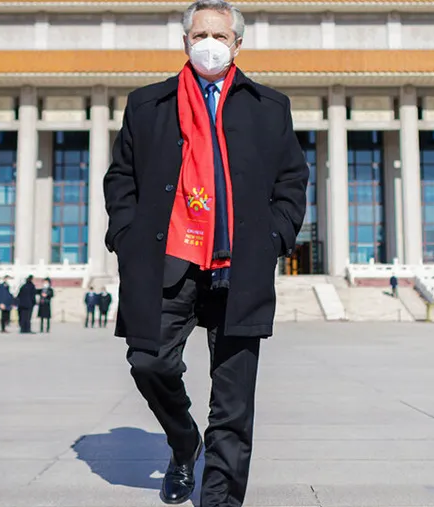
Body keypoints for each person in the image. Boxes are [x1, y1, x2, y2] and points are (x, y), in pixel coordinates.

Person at [103, 1, 308, 504]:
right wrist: (126, 239)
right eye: (199, 35)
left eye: (219, 35)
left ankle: (219, 498)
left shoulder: (268, 106)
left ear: (238, 44)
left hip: (240, 267)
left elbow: (292, 181)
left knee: (233, 404)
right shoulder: (148, 104)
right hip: (169, 262)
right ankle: (183, 441)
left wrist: (274, 239)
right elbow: (121, 179)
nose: (209, 44)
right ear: (185, 42)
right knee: (148, 363)